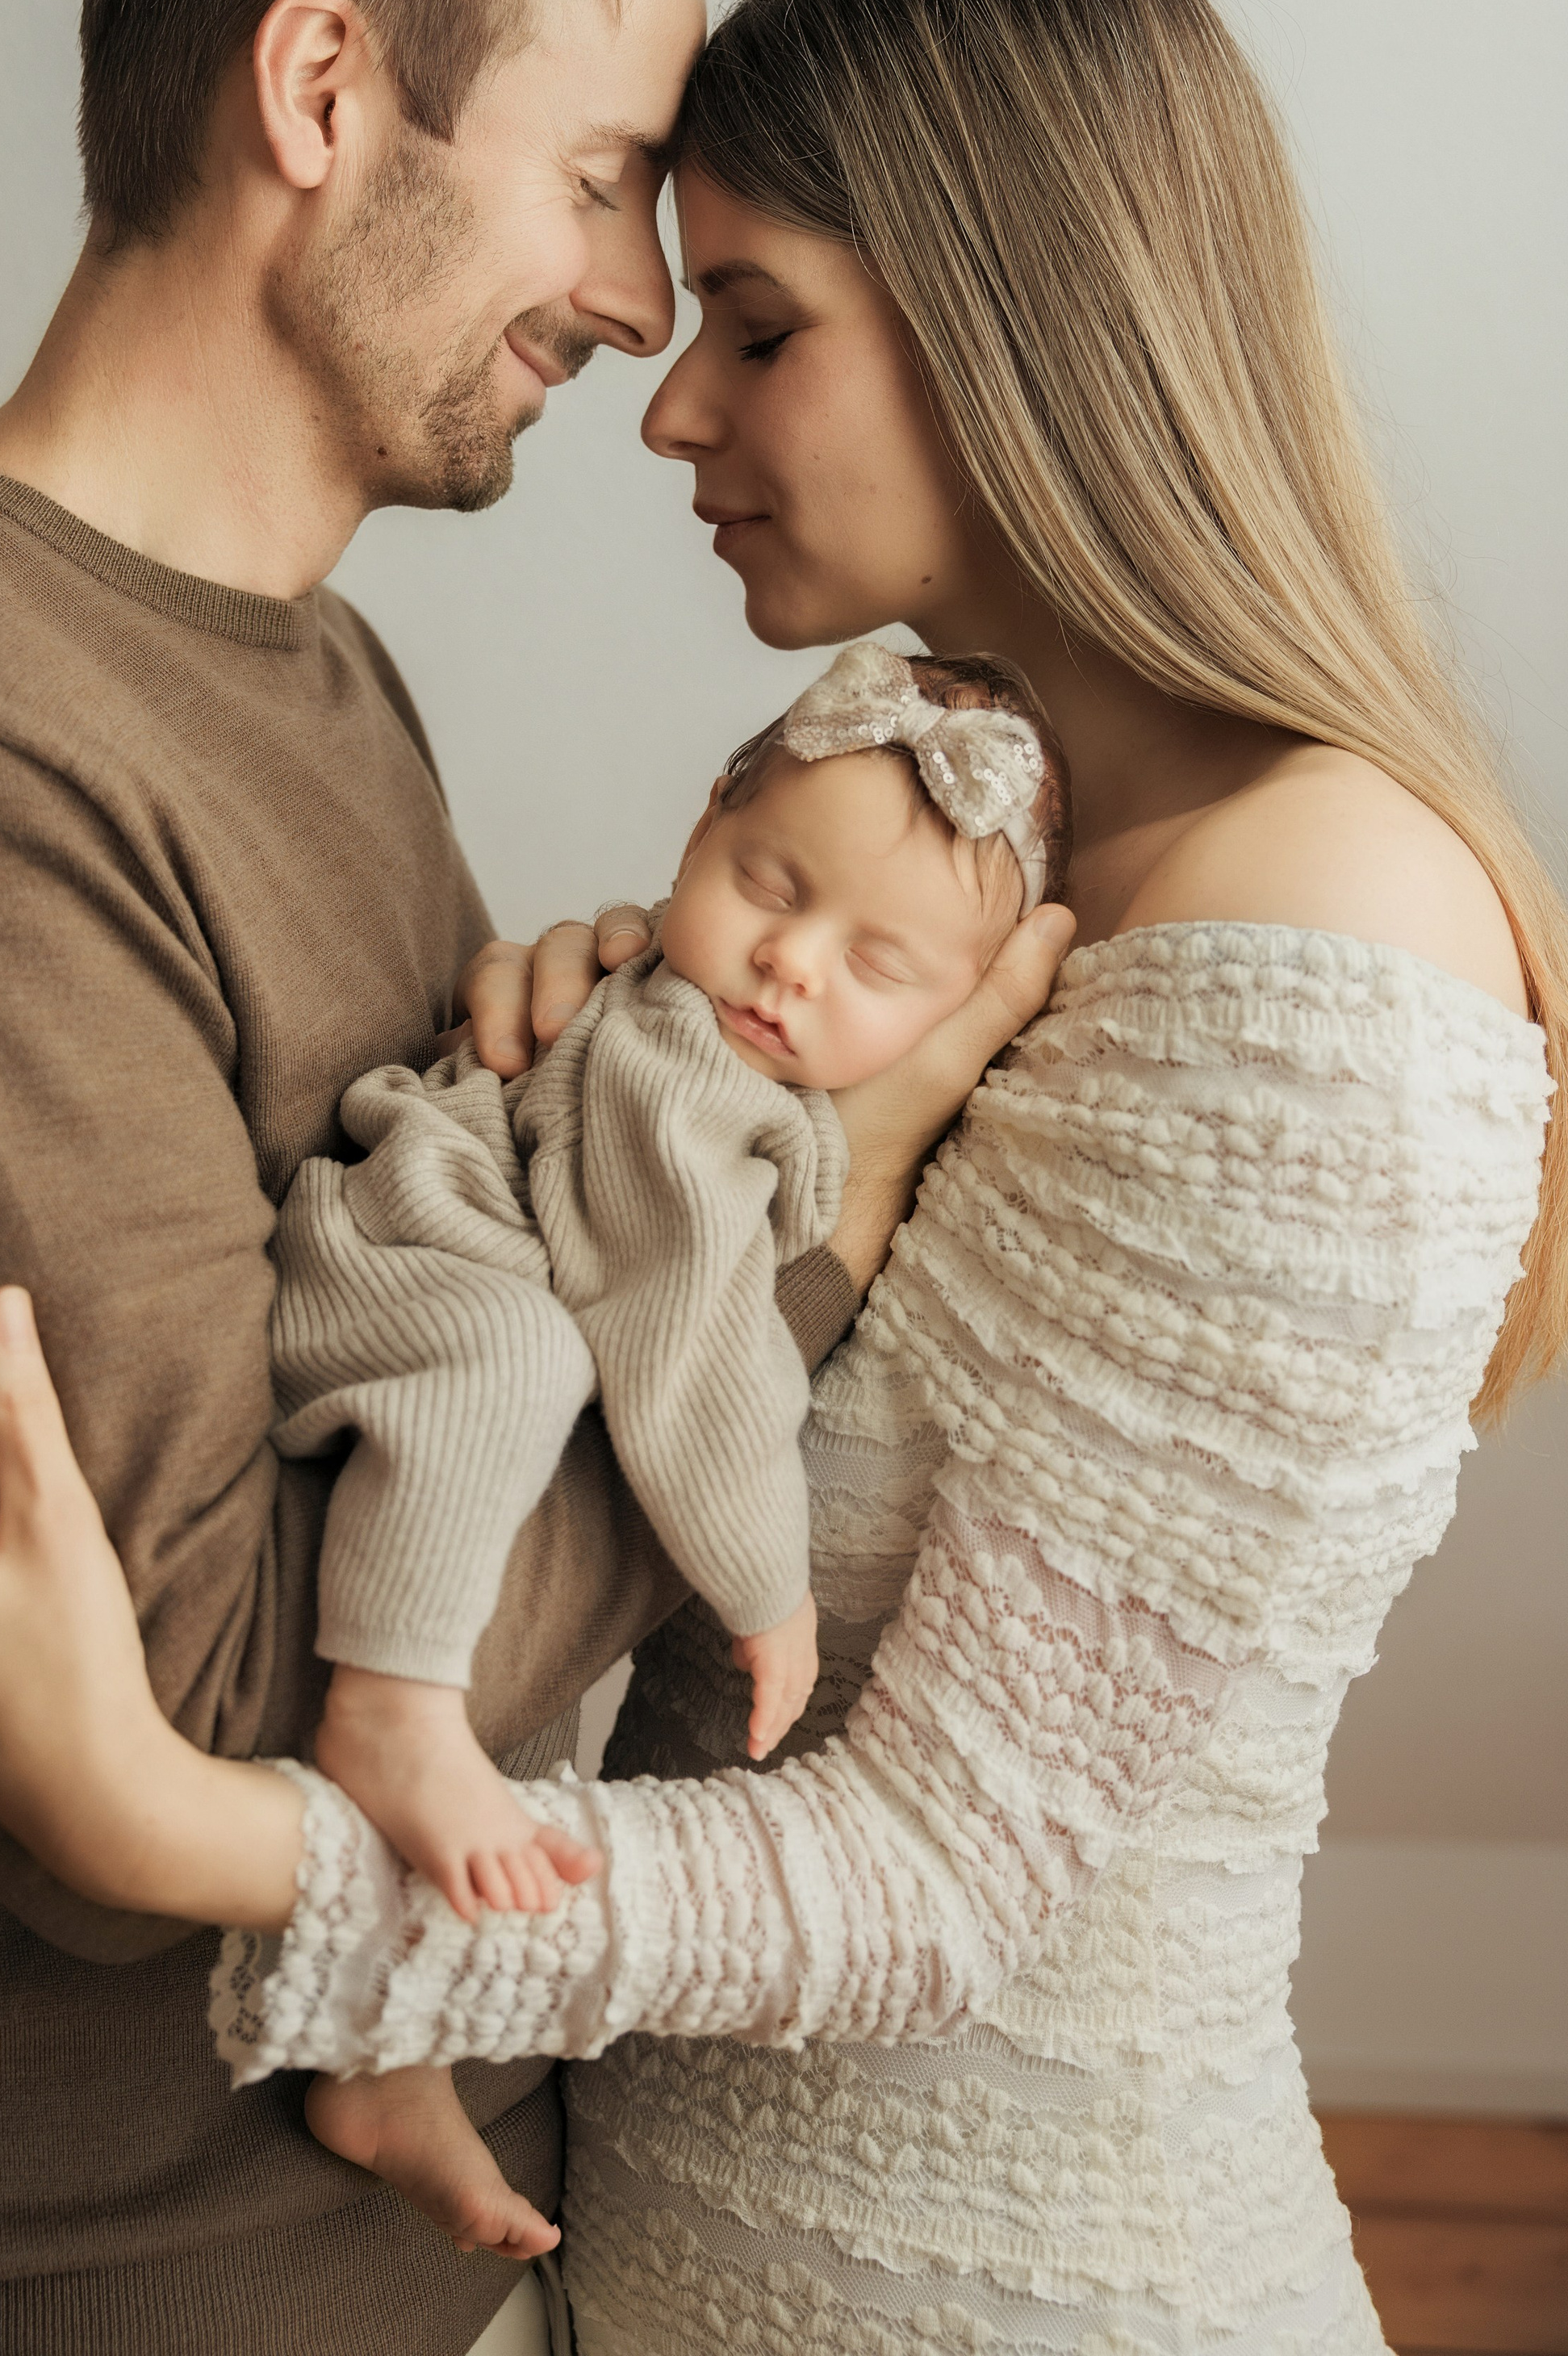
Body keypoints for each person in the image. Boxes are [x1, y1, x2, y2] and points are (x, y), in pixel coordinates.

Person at [0, 0, 1568, 2353]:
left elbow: (937, 1878)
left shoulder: (1331, 935)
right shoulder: (963, 892)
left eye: (759, 321)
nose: (670, 403)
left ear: (1030, 320)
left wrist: (152, 1817)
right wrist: (642, 1125)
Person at [0, 0, 1023, 2356]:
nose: (629, 307)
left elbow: (413, 1364)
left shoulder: (303, 672)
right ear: (327, 90)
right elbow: (231, 1709)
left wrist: (654, 1105)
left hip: (402, 2214)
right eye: (599, 180)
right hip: (100, 2300)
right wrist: (800, 1192)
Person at [275, 645, 1069, 2259]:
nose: (785, 965)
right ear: (705, 818)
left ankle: (379, 2050)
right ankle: (381, 1713)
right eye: (767, 882)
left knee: (525, 1683)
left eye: (876, 968)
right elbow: (681, 1342)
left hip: (466, 1334)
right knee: (519, 1366)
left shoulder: (750, 1072)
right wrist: (764, 1583)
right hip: (398, 1278)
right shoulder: (672, 1068)